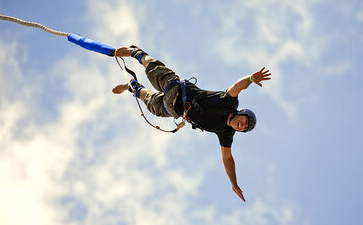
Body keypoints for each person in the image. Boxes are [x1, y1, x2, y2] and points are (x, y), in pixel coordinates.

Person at [112, 46, 271, 202]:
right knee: (153, 69)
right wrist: (251, 78)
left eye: (244, 128)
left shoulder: (226, 133)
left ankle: (132, 86)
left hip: (174, 109)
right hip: (176, 89)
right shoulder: (228, 102)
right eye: (244, 121)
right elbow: (237, 87)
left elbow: (228, 158)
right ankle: (135, 52)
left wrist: (234, 183)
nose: (242, 125)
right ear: (240, 113)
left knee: (152, 106)